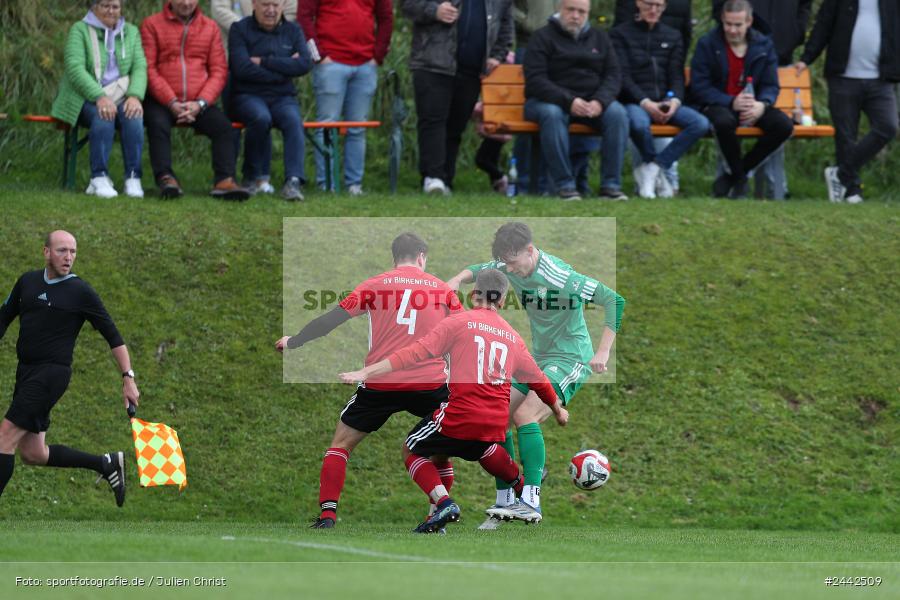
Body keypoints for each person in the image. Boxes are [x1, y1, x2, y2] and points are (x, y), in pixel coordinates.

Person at [339, 269, 568, 533]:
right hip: (494, 423)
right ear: (503, 301)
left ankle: (443, 502)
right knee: (480, 447)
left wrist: (366, 372)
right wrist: (557, 410)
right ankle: (521, 487)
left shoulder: (458, 323)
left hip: (461, 414)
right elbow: (539, 380)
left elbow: (414, 353)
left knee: (412, 448)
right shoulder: (513, 337)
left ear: (473, 295)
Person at [276, 233, 463, 528]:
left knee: (340, 445)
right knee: (438, 450)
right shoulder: (442, 290)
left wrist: (294, 341)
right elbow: (463, 335)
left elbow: (330, 321)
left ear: (394, 258)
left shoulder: (375, 285)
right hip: (430, 383)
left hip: (382, 383)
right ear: (422, 256)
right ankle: (437, 512)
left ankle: (327, 516)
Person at [446, 222, 625, 526]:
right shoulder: (510, 263)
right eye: (506, 264)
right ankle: (506, 500)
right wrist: (456, 279)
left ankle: (530, 500)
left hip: (571, 359)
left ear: (530, 250)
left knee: (525, 414)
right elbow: (480, 268)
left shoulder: (560, 275)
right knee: (497, 416)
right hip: (538, 358)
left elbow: (614, 300)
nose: (510, 271)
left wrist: (603, 351)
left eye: (513, 263)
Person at [0, 231, 140, 505]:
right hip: (26, 373)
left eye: (73, 251)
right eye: (62, 250)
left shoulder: (80, 291)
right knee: (33, 453)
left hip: (51, 374)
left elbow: (113, 336)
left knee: (4, 437)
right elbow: (3, 318)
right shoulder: (27, 282)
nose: (69, 257)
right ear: (46, 252)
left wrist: (128, 376)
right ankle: (106, 463)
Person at [402, 0, 514, 195]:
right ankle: (433, 177)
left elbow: (505, 25)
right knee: (433, 120)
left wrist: (497, 55)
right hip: (432, 63)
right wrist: (435, 11)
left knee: (456, 126)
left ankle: (446, 180)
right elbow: (408, 5)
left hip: (471, 69)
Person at [141, 0, 250, 200]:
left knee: (224, 127)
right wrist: (171, 101)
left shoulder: (210, 27)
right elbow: (149, 69)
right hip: (162, 100)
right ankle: (166, 177)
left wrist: (200, 103)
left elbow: (218, 71)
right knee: (157, 123)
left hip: (198, 102)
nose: (186, 3)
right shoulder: (151, 24)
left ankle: (224, 180)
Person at [523, 0, 629, 201]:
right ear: (559, 9)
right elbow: (536, 80)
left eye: (581, 11)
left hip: (591, 103)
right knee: (551, 114)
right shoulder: (542, 37)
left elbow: (614, 75)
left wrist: (600, 101)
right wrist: (569, 101)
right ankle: (565, 186)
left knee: (617, 114)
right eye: (570, 9)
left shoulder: (600, 38)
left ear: (587, 13)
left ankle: (610, 186)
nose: (575, 15)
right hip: (547, 101)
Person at [796, 0, 899, 204]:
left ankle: (841, 172)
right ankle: (852, 191)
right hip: (843, 78)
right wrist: (807, 58)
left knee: (888, 127)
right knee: (845, 136)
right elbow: (822, 26)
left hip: (881, 79)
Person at [689, 0, 794, 198]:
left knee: (783, 125)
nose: (732, 30)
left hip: (754, 103)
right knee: (723, 121)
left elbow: (771, 85)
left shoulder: (764, 44)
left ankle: (736, 174)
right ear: (722, 19)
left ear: (749, 21)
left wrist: (762, 105)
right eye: (728, 24)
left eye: (738, 25)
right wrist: (730, 101)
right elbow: (699, 87)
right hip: (720, 103)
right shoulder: (707, 44)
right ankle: (739, 177)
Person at [714, 0, 813, 200]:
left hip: (779, 51)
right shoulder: (713, 42)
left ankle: (754, 181)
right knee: (724, 120)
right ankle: (742, 180)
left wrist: (797, 32)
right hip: (737, 47)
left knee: (779, 123)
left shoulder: (765, 44)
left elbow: (805, 6)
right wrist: (733, 26)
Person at [611, 0, 709, 198]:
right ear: (638, 3)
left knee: (700, 123)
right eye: (649, 4)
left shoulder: (672, 36)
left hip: (665, 101)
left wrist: (674, 101)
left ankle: (653, 167)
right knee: (638, 124)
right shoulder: (620, 34)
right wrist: (646, 102)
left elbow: (676, 75)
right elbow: (623, 77)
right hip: (635, 102)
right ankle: (654, 171)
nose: (654, 10)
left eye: (659, 5)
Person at [50, 0, 147, 199]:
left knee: (134, 116)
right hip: (84, 97)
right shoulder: (80, 30)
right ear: (94, 7)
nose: (111, 11)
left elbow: (139, 66)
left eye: (115, 7)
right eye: (105, 6)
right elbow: (75, 68)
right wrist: (99, 96)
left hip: (120, 95)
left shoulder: (131, 31)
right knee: (104, 115)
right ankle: (99, 176)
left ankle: (133, 177)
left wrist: (135, 96)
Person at [298, 0, 393, 196]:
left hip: (366, 64)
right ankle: (327, 185)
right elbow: (304, 18)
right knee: (326, 126)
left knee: (357, 127)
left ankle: (354, 186)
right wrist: (319, 57)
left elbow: (386, 18)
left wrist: (378, 56)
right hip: (329, 63)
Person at [210, 0, 298, 196]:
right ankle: (228, 176)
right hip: (232, 57)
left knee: (262, 116)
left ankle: (260, 176)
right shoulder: (243, 28)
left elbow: (290, 9)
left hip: (275, 51)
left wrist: (270, 27)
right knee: (233, 122)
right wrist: (250, 27)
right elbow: (219, 9)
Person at [229, 0, 312, 201]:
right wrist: (283, 70)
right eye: (265, 4)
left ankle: (293, 182)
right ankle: (251, 176)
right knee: (260, 117)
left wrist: (265, 62)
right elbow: (241, 68)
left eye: (276, 5)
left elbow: (304, 63)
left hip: (283, 97)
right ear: (254, 4)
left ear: (283, 5)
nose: (271, 10)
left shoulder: (293, 30)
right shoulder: (239, 29)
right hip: (247, 95)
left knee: (293, 121)